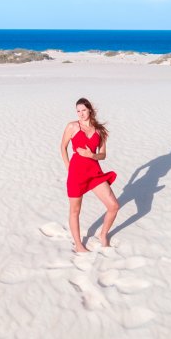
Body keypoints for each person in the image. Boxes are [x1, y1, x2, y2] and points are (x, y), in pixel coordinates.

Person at [60, 97, 119, 252]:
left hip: (94, 173)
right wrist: (68, 166)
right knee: (75, 210)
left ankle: (103, 235)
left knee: (113, 205)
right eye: (78, 111)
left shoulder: (99, 131)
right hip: (76, 173)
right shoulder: (72, 126)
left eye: (83, 110)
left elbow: (103, 155)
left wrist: (91, 155)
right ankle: (79, 245)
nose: (81, 113)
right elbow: (63, 147)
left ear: (90, 110)